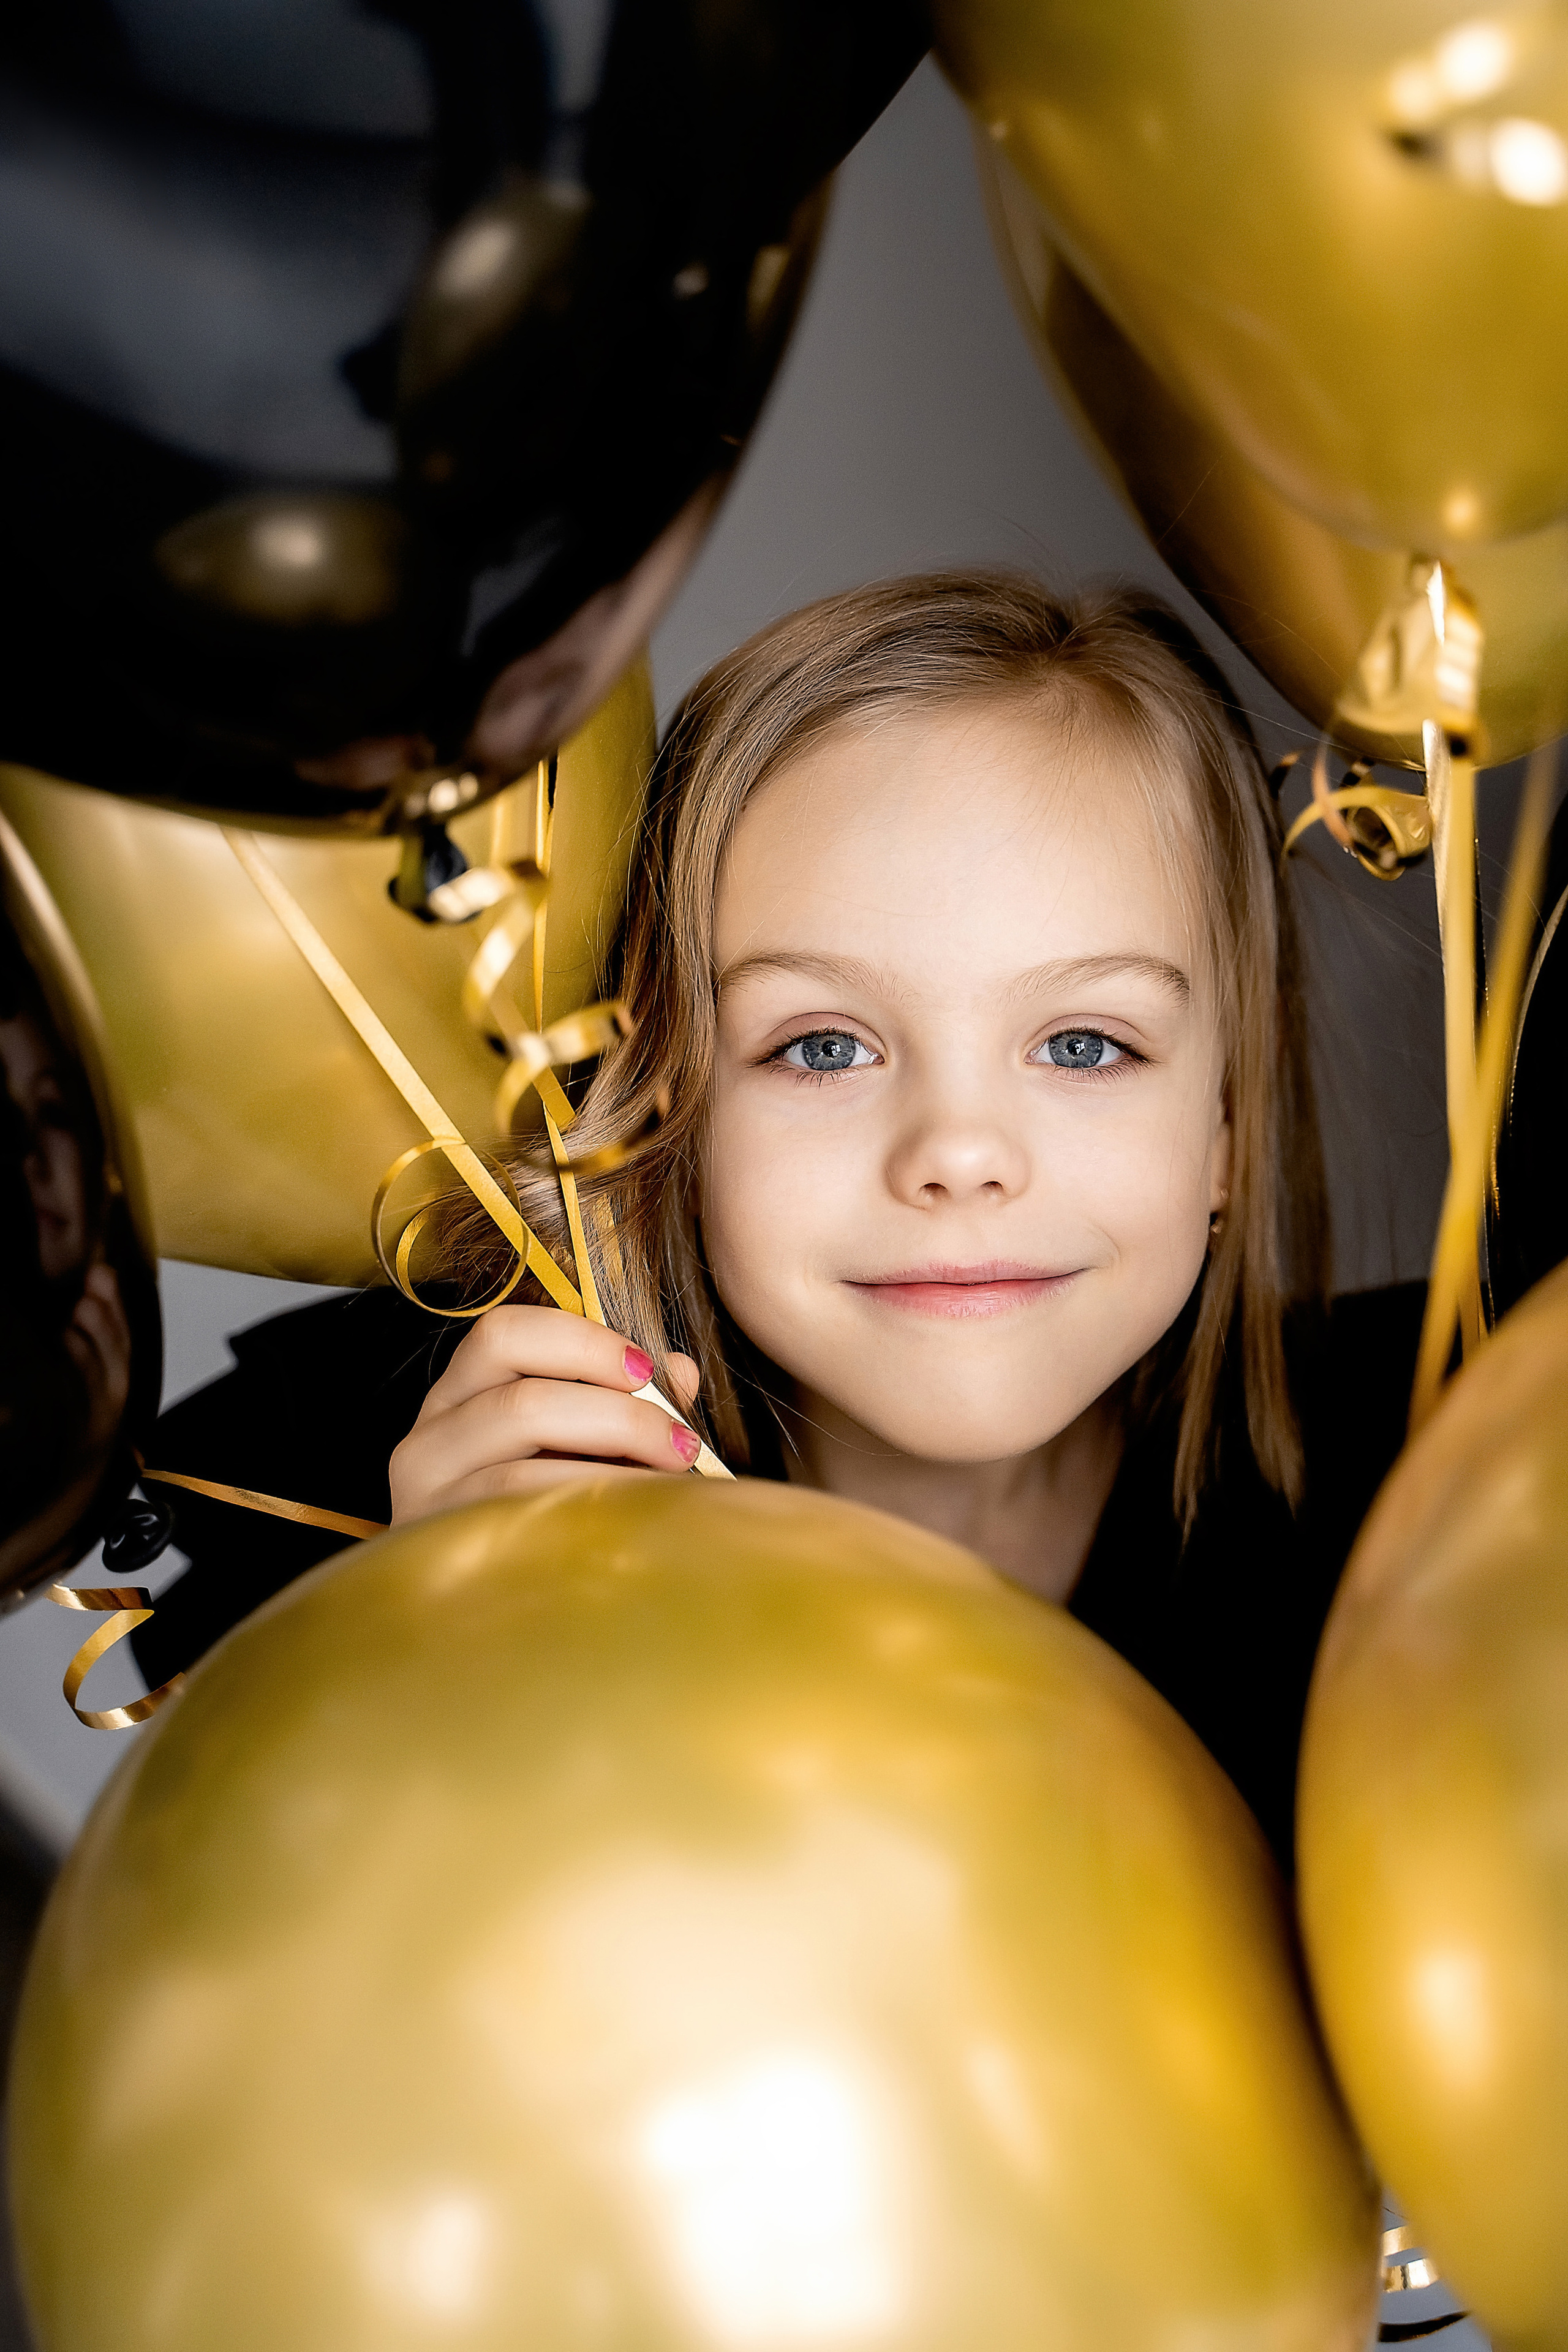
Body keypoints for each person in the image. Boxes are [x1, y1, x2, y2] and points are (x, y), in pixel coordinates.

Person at [134, 574, 1423, 1871]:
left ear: (1224, 1125)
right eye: (821, 1048)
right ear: (662, 1104)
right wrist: (411, 1671)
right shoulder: (388, 1480)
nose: (956, 1156)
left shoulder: (1440, 1482)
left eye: (1083, 1044)